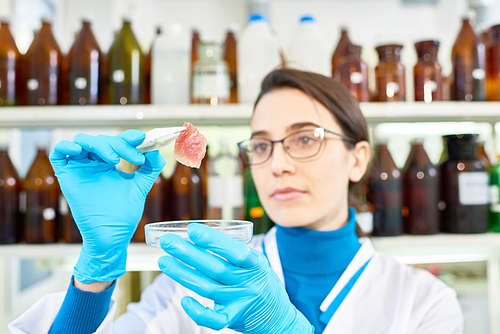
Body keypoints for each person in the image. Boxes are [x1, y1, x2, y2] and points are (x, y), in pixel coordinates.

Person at [9, 69, 463, 333]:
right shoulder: (197, 278)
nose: (278, 164)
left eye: (304, 139)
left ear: (358, 159)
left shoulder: (423, 303)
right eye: (261, 145)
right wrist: (97, 268)